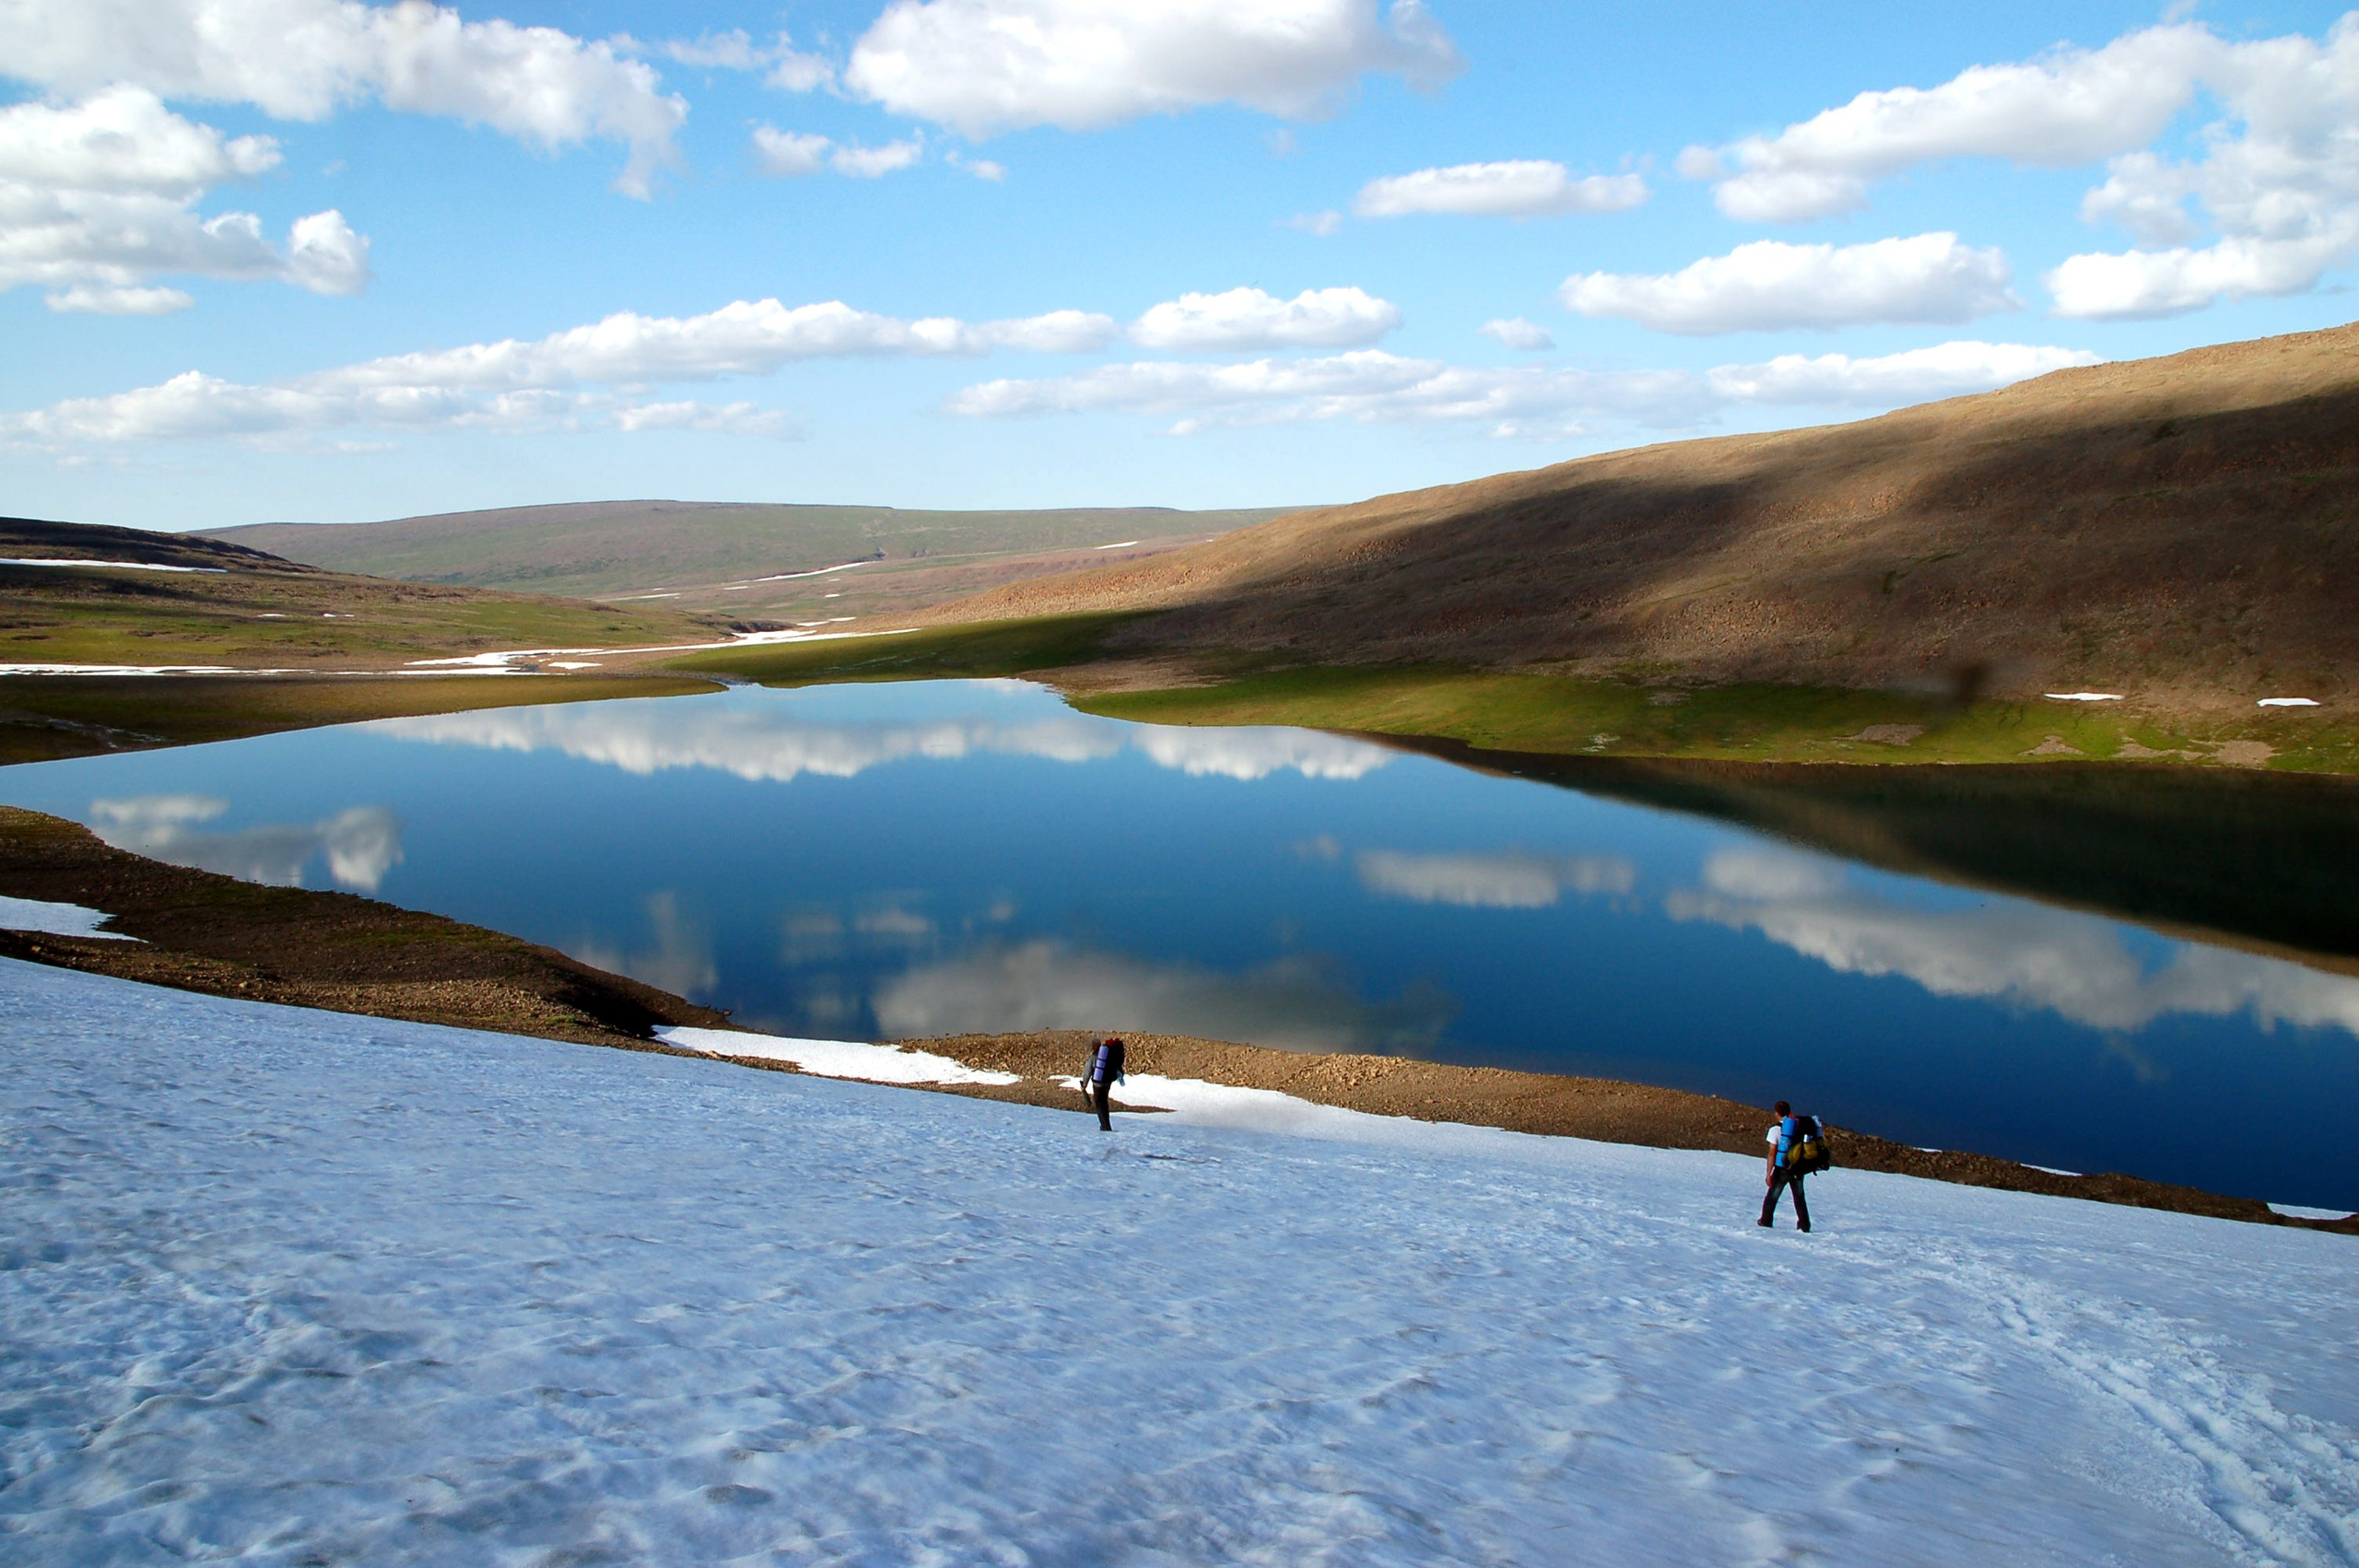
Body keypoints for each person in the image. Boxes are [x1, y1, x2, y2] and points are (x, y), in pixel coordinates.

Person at [1759, 1100, 1813, 1232]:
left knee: (1773, 1196)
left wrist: (1768, 1174)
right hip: (1798, 1167)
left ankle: (1766, 1221)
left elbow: (1772, 1152)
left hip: (1782, 1169)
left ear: (1777, 1113)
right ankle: (1804, 1225)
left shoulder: (1775, 1130)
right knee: (1799, 1197)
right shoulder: (1799, 1127)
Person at [1081, 1036, 1126, 1131]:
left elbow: (1087, 1071)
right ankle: (1106, 1124)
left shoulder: (1094, 1057)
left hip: (1098, 1084)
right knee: (1104, 1102)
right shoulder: (1108, 1054)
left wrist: (1084, 1084)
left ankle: (1105, 1126)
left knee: (1099, 1103)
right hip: (1108, 1082)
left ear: (1093, 1047)